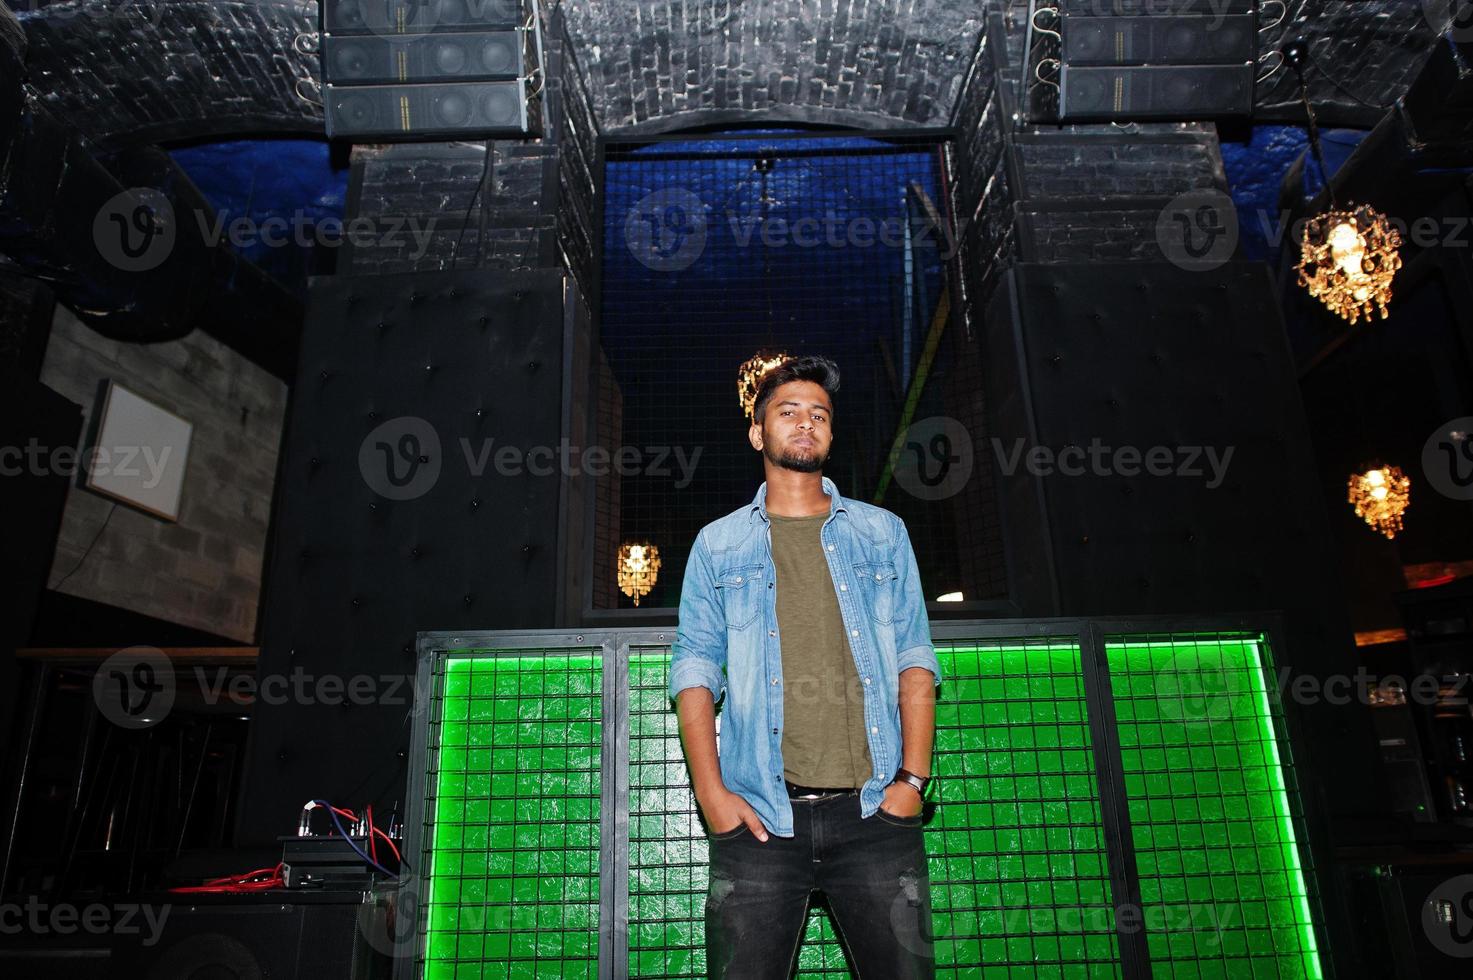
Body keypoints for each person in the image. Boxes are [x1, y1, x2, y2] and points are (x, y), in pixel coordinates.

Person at [668, 354, 942, 979]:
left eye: (819, 414)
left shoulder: (881, 533)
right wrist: (713, 797)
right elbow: (695, 672)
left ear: (830, 433)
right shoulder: (719, 544)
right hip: (760, 819)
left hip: (876, 814)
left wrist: (912, 784)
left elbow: (915, 661)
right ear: (757, 433)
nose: (805, 423)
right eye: (787, 412)